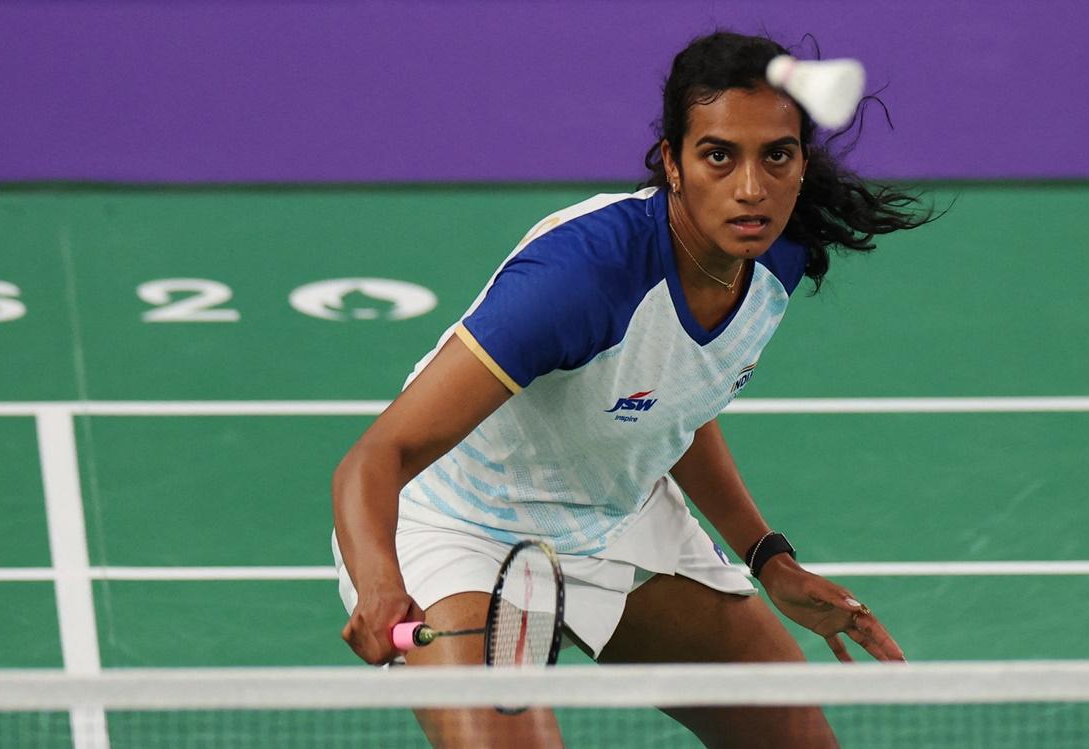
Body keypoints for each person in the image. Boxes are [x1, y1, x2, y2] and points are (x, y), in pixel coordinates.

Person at [332, 30, 932, 748]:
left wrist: (768, 557)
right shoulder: (580, 279)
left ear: (802, 160)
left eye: (777, 154)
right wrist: (377, 583)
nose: (751, 187)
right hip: (461, 528)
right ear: (673, 163)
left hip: (616, 521)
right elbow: (376, 456)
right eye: (719, 154)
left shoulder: (777, 256)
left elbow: (673, 399)